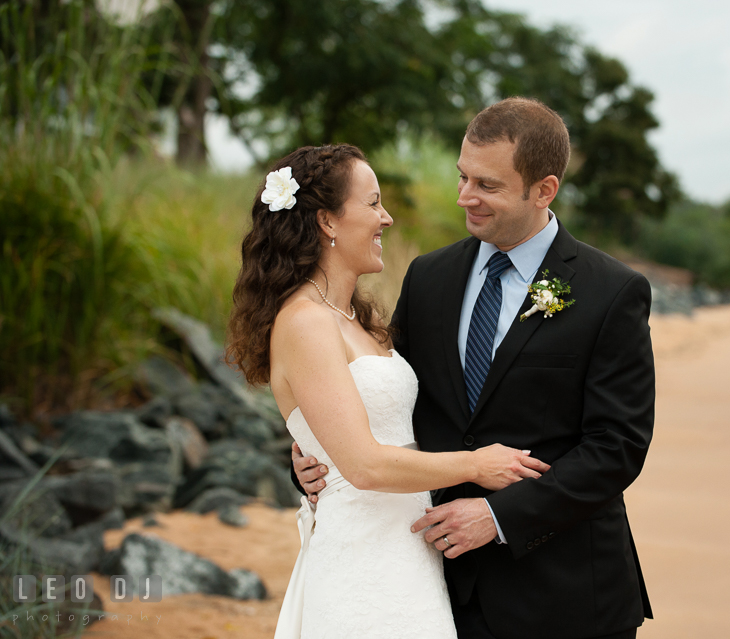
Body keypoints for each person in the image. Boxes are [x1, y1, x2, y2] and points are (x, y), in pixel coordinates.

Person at [293, 97, 655, 639]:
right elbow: (386, 397)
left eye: (488, 186)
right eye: (463, 177)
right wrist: (309, 457)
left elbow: (617, 446)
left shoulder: (612, 292)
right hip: (439, 586)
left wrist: (500, 517)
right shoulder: (428, 276)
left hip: (567, 596)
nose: (466, 197)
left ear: (544, 190)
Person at [226, 143, 552, 639]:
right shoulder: (306, 323)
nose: (387, 218)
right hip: (363, 561)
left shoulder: (361, 320)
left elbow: (386, 424)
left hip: (410, 556)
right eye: (373, 203)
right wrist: (476, 464)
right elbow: (362, 464)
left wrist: (312, 458)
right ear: (328, 222)